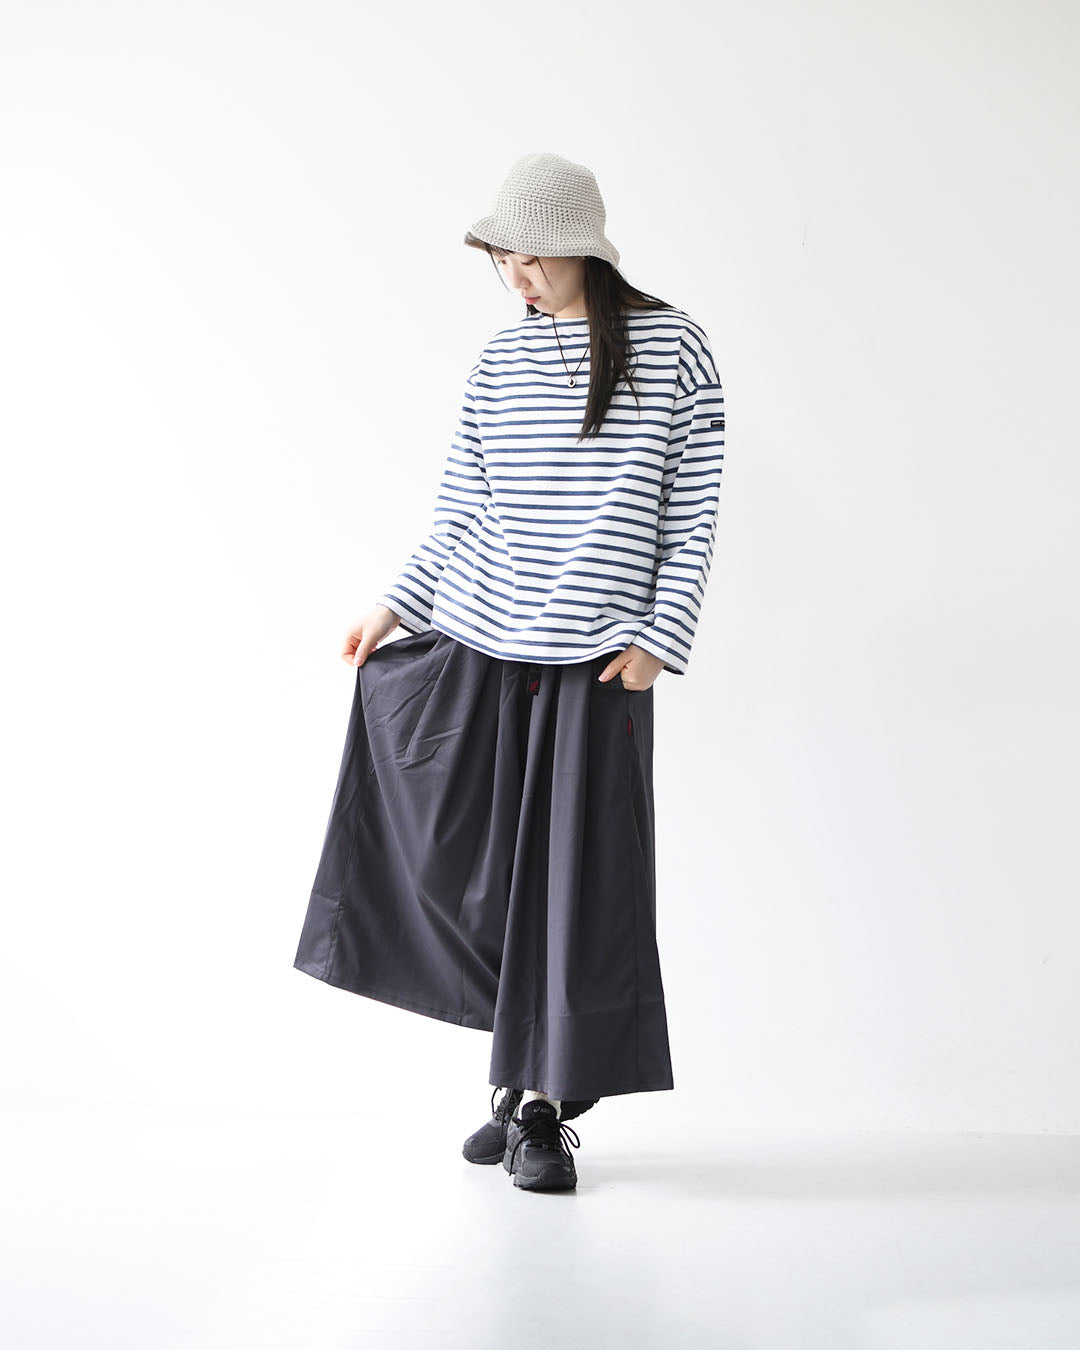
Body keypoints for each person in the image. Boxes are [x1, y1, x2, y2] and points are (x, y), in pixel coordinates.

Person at [293, 151, 726, 1193]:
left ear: (583, 248)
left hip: (600, 666)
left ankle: (542, 1111)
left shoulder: (673, 347)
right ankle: (515, 1076)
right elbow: (462, 512)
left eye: (533, 259)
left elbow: (692, 509)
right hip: (483, 646)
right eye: (503, 262)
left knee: (580, 892)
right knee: (467, 870)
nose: (518, 279)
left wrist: (663, 635)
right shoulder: (499, 363)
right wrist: (394, 604)